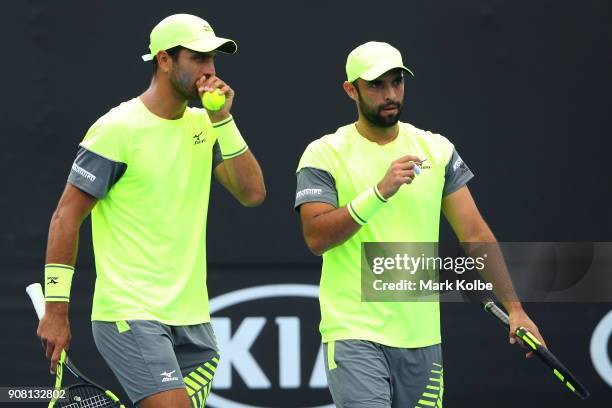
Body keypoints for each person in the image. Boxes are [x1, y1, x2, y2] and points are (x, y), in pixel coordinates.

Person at [294, 41, 545, 407]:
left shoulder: (437, 150)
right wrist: (378, 193)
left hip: (423, 341)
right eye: (377, 85)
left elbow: (475, 235)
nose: (390, 94)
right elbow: (316, 237)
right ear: (351, 90)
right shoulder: (324, 153)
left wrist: (515, 309)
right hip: (354, 334)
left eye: (397, 82)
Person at [37, 14, 265, 408]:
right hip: (130, 313)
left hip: (194, 322)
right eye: (197, 58)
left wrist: (223, 120)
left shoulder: (206, 124)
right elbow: (66, 216)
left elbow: (252, 193)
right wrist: (57, 310)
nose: (209, 71)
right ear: (164, 59)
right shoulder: (117, 129)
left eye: (213, 60)